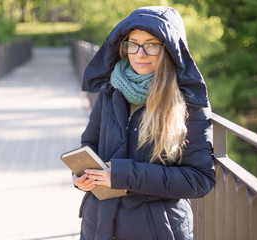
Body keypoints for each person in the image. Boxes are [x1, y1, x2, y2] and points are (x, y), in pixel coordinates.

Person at [73, 6, 216, 240]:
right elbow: (90, 143)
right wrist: (82, 177)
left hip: (156, 230)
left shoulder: (188, 102)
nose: (140, 54)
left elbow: (199, 179)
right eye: (133, 43)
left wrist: (122, 175)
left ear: (169, 48)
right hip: (97, 225)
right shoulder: (112, 89)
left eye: (151, 44)